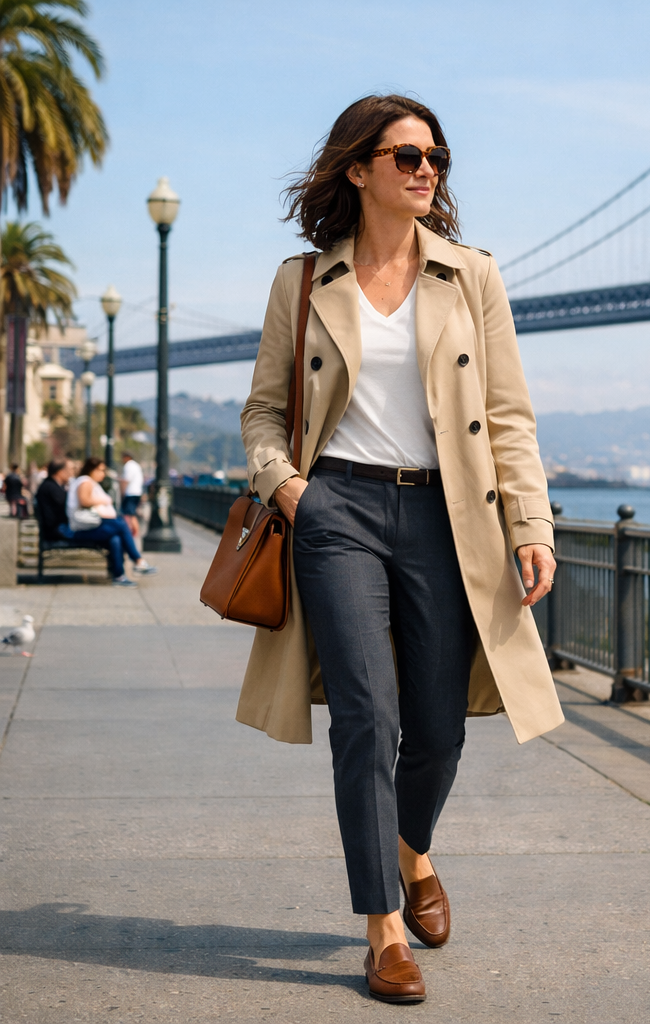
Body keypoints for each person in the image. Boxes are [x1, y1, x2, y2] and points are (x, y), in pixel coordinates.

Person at [238, 95, 562, 1004]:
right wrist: (288, 487)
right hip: (335, 509)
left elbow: (507, 415)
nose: (428, 170)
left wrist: (531, 525)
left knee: (439, 729)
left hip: (447, 517)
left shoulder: (471, 275)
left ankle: (412, 849)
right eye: (408, 156)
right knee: (366, 719)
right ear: (358, 169)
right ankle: (383, 928)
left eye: (437, 157)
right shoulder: (304, 280)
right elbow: (264, 410)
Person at [66, 456, 158, 587]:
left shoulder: (88, 482)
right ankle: (138, 561)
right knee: (121, 525)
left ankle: (119, 576)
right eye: (100, 470)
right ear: (92, 469)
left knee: (115, 539)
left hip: (89, 526)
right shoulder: (85, 481)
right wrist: (104, 500)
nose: (103, 474)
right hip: (81, 529)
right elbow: (84, 501)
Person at [35, 459, 74, 541]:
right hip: (56, 530)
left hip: (54, 529)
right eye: (70, 469)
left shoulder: (50, 485)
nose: (72, 473)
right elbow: (66, 509)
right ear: (60, 472)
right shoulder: (51, 488)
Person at [119, 451, 145, 538]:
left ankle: (133, 534)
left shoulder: (128, 465)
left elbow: (126, 480)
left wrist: (122, 492)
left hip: (131, 493)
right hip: (137, 492)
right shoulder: (136, 465)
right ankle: (133, 533)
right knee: (131, 513)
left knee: (130, 514)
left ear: (127, 457)